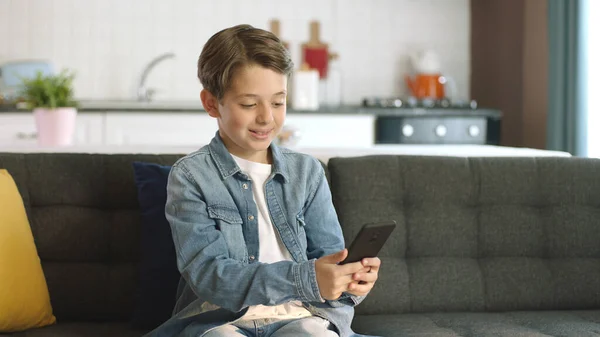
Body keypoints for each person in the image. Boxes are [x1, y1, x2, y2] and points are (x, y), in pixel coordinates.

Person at [145, 24, 381, 337]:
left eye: (278, 101)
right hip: (220, 320)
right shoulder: (190, 177)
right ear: (211, 103)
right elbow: (209, 276)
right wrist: (307, 279)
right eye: (248, 104)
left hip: (303, 316)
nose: (266, 117)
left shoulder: (307, 172)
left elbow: (330, 259)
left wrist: (351, 281)